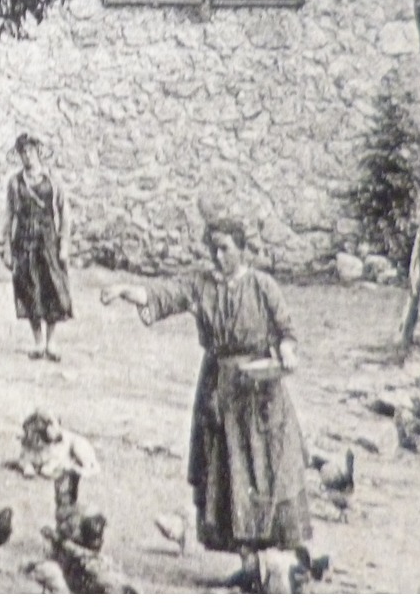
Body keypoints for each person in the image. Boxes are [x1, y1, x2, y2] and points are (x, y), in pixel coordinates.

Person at [101, 218, 311, 588]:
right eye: (213, 248)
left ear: (242, 249)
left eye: (225, 248)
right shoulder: (202, 285)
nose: (217, 255)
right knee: (226, 474)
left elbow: (286, 330)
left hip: (261, 394)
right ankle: (249, 567)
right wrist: (125, 290)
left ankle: (279, 567)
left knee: (266, 471)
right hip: (218, 390)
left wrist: (287, 351)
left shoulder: (263, 286)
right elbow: (166, 295)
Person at [3, 133, 72, 361]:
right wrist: (6, 248)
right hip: (24, 242)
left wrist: (64, 244)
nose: (27, 155)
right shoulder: (15, 182)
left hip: (48, 241)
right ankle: (38, 342)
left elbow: (64, 213)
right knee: (29, 288)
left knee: (53, 287)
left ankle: (52, 343)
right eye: (23, 152)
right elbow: (9, 215)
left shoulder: (52, 179)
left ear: (38, 152)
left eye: (30, 150)